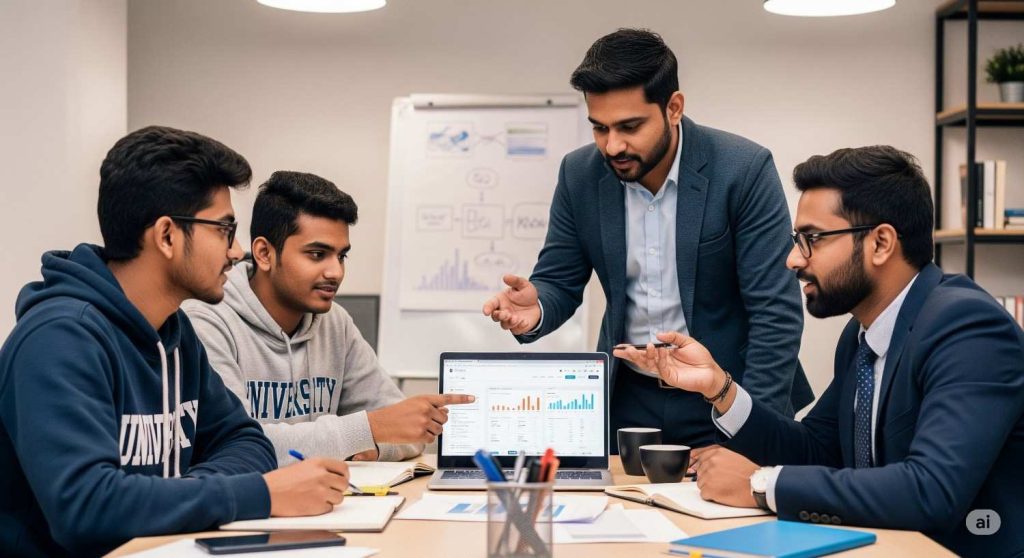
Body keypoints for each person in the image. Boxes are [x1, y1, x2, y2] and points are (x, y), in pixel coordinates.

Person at [616, 146, 1024, 556]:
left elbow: (930, 490)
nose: (793, 260)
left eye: (812, 239)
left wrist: (761, 485)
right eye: (797, 240)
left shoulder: (968, 329)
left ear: (881, 243)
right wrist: (719, 388)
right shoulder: (862, 335)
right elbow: (816, 449)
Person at [0, 127, 353, 557]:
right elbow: (86, 508)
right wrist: (259, 494)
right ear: (167, 235)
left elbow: (246, 441)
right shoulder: (58, 340)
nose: (236, 251)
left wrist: (172, 497)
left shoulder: (174, 330)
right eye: (224, 229)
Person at [482, 28, 812, 449]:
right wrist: (539, 306)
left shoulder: (743, 169)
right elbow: (559, 280)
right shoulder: (579, 174)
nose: (612, 146)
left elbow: (775, 312)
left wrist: (753, 433)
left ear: (673, 108)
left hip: (727, 389)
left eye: (630, 126)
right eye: (599, 128)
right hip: (628, 397)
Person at [184, 171, 474, 465]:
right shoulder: (206, 321)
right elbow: (236, 445)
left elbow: (406, 426)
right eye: (317, 254)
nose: (335, 272)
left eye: (341, 256)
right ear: (264, 253)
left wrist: (375, 447)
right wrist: (369, 429)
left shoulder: (335, 322)